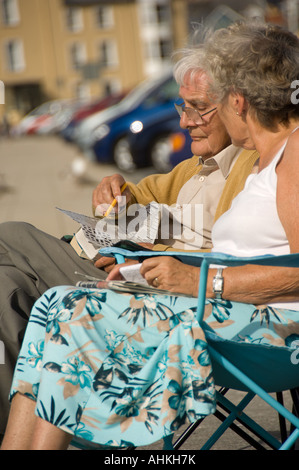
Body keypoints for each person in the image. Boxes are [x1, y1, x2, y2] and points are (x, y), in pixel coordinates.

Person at [2, 19, 299, 451]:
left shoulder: (292, 156)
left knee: (70, 311)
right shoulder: (261, 163)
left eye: (208, 104)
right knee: (55, 304)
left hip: (267, 335)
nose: (188, 119)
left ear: (239, 99)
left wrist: (198, 280)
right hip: (223, 314)